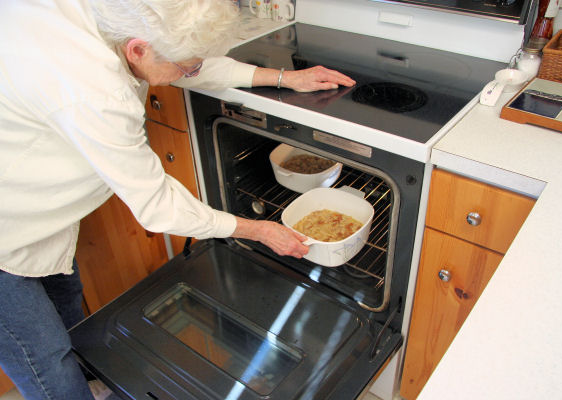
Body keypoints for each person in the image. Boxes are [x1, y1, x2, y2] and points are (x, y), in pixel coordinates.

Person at [0, 0, 356, 399]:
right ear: (138, 49)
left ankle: (89, 385)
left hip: (38, 207)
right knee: (46, 361)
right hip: (7, 225)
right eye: (183, 67)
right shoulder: (93, 91)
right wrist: (258, 230)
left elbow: (191, 64)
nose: (188, 74)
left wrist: (283, 78)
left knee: (67, 303)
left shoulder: (120, 16)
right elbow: (159, 206)